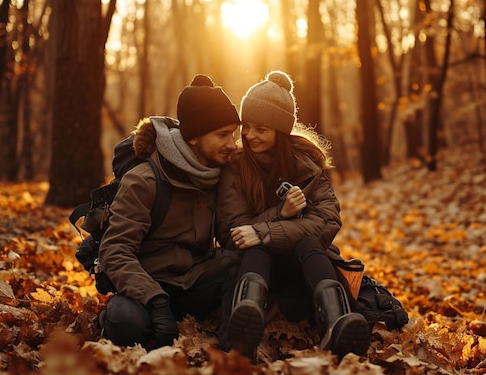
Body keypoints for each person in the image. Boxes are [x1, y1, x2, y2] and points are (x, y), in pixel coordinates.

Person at [216, 70, 371, 361]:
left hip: (302, 277)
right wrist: (280, 214)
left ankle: (337, 326)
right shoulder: (234, 166)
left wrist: (265, 230)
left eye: (260, 129)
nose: (249, 135)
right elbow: (231, 231)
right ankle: (242, 328)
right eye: (246, 126)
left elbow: (327, 221)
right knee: (255, 249)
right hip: (253, 272)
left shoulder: (307, 164)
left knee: (310, 244)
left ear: (280, 130)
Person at [98, 74, 241, 350]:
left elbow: (231, 236)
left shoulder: (217, 174)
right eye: (223, 135)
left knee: (241, 265)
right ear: (195, 137)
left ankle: (231, 347)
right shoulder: (144, 180)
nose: (232, 144)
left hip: (194, 282)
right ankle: (118, 317)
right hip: (147, 285)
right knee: (126, 324)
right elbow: (115, 251)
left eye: (233, 134)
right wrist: (155, 300)